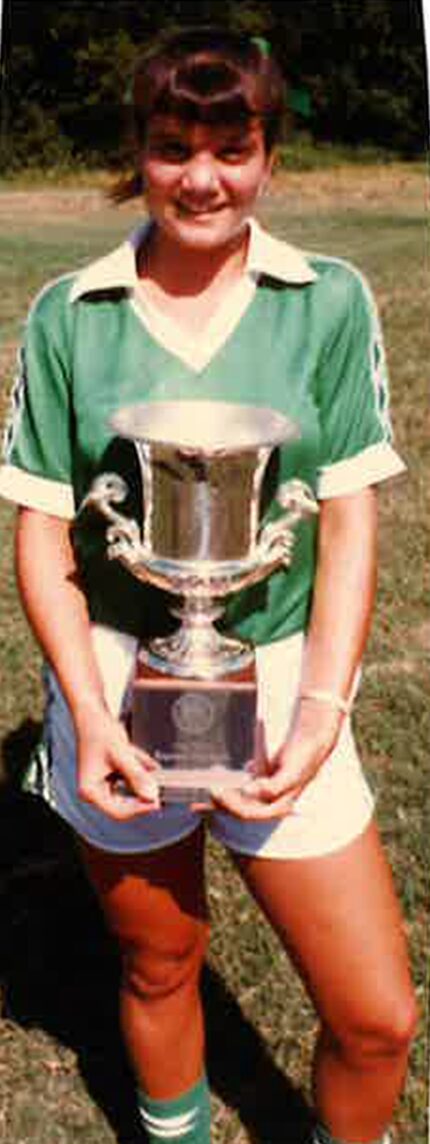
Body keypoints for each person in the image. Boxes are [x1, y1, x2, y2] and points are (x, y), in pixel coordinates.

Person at [0, 26, 417, 1144]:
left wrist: (323, 715)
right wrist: (89, 717)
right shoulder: (68, 314)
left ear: (269, 156)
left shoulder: (325, 299)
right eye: (173, 145)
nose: (201, 176)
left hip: (281, 683)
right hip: (113, 689)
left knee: (376, 1019)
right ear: (137, 151)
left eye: (230, 148)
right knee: (156, 961)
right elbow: (42, 534)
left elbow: (347, 513)